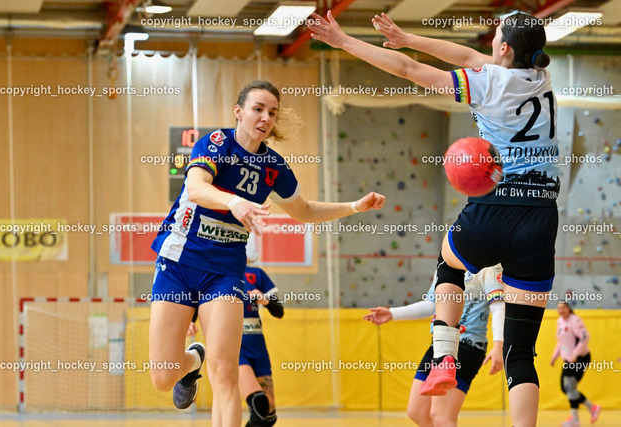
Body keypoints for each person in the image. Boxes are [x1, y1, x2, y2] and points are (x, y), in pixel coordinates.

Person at [309, 10, 558, 427]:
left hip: (494, 205)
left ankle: (444, 355)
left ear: (503, 48)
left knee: (450, 264)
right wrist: (410, 38)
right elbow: (467, 57)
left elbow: (410, 72)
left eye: (495, 36)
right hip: (541, 219)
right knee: (520, 352)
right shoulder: (541, 79)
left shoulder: (488, 82)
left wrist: (346, 42)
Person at [148, 79, 385, 427]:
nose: (265, 117)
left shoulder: (274, 166)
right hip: (178, 263)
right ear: (239, 111)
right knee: (162, 377)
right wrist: (235, 202)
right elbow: (196, 188)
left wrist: (353, 206)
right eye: (258, 109)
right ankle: (193, 360)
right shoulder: (216, 143)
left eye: (272, 112)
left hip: (225, 275)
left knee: (227, 371)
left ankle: (208, 366)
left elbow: (302, 211)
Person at [364, 265, 505, 427]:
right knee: (417, 411)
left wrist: (498, 345)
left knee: (441, 416)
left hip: (466, 345)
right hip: (439, 345)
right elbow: (431, 304)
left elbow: (498, 306)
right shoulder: (446, 265)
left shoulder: (488, 268)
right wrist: (393, 313)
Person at [239, 265, 283, 427]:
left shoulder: (256, 274)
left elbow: (279, 311)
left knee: (269, 416)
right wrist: (189, 322)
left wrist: (265, 300)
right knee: (259, 404)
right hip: (235, 346)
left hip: (257, 345)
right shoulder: (219, 270)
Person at [550, 301, 601, 427]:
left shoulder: (575, 320)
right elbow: (561, 341)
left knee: (569, 387)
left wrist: (575, 354)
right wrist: (554, 356)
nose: (561, 310)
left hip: (580, 358)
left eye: (563, 307)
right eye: (558, 308)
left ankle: (575, 419)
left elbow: (585, 337)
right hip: (568, 359)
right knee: (565, 388)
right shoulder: (560, 321)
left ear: (568, 308)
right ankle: (592, 407)